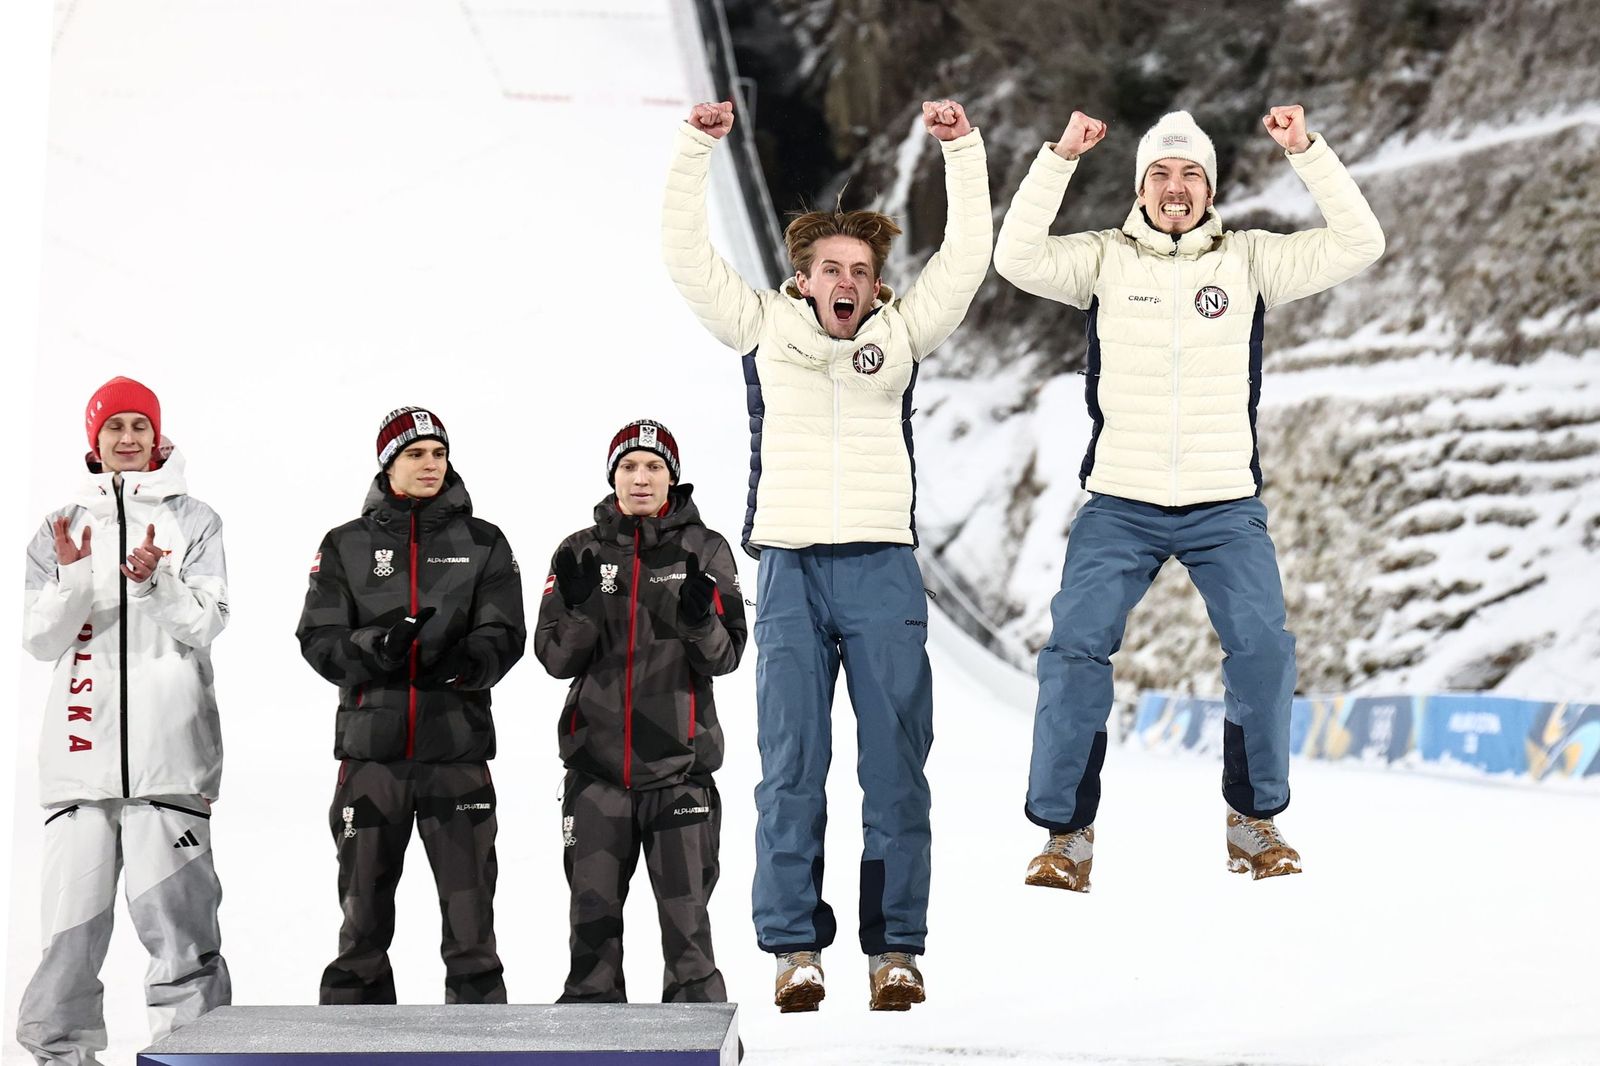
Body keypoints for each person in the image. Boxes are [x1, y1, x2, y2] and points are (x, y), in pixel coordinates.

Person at [994, 106, 1385, 888]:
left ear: (1211, 186)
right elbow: (1017, 257)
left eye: (1191, 174)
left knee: (1264, 647)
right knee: (1075, 647)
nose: (1176, 188)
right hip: (1121, 500)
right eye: (1161, 174)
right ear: (1141, 186)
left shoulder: (1249, 261)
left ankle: (1253, 821)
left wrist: (1306, 152)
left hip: (1223, 502)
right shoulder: (1105, 260)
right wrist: (1061, 157)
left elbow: (1359, 243)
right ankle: (1066, 837)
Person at [662, 97, 992, 1011]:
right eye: (831, 269)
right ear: (803, 280)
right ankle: (794, 949)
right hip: (792, 573)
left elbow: (965, 261)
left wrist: (962, 152)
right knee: (792, 763)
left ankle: (896, 950)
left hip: (882, 569)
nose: (848, 281)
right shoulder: (763, 326)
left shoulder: (901, 334)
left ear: (878, 286)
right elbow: (689, 256)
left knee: (895, 762)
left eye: (862, 270)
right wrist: (697, 147)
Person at [17, 376, 231, 1064]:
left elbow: (206, 622)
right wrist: (77, 577)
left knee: (182, 936)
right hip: (79, 768)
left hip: (170, 762)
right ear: (95, 438)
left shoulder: (195, 520)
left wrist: (153, 581)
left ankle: (194, 1055)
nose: (129, 439)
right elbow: (40, 640)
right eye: (115, 428)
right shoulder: (58, 527)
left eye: (140, 426)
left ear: (157, 435)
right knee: (68, 937)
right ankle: (59, 1054)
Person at [296, 406, 526, 1003]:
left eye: (438, 453)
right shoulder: (345, 544)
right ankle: (352, 1046)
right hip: (372, 761)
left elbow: (505, 634)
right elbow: (317, 640)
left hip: (458, 753)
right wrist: (378, 647)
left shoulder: (484, 542)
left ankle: (479, 1044)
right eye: (415, 454)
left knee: (472, 928)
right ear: (388, 464)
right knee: (362, 926)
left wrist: (461, 663)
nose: (430, 464)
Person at [535, 419, 747, 1007]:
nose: (641, 477)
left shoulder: (704, 550)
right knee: (591, 942)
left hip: (679, 778)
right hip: (596, 780)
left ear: (672, 477)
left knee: (690, 943)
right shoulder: (578, 550)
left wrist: (699, 619)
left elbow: (726, 656)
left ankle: (695, 1046)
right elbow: (553, 657)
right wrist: (575, 610)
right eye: (629, 466)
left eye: (654, 466)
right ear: (613, 477)